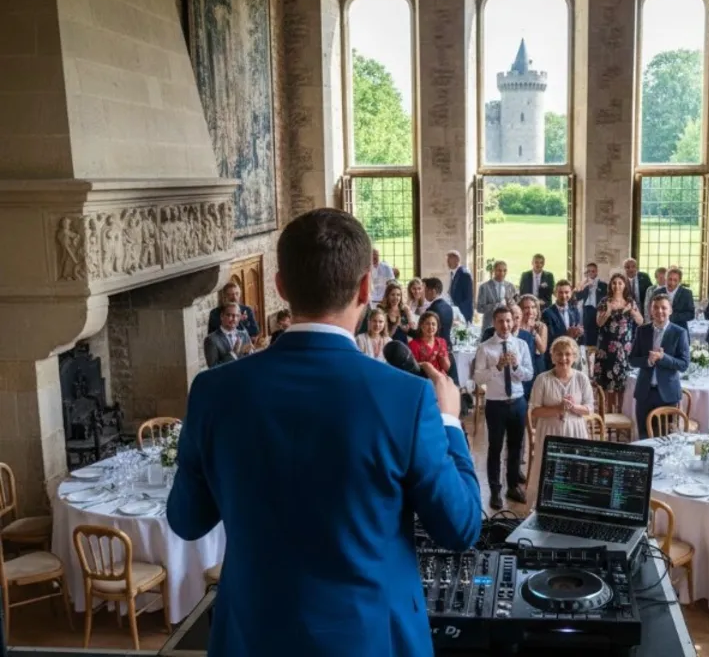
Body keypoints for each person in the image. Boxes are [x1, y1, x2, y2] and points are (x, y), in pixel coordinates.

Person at [167, 208, 481, 657]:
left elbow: (186, 519)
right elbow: (460, 527)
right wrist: (449, 421)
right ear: (366, 288)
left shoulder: (214, 391)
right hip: (370, 639)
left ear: (280, 286)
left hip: (253, 636)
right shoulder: (406, 398)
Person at [473, 306, 533, 510]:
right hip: (496, 404)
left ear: (513, 322)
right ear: (494, 323)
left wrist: (515, 366)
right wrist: (497, 367)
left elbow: (529, 374)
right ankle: (495, 490)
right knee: (495, 448)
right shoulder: (485, 348)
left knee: (516, 447)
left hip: (517, 402)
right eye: (501, 321)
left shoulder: (521, 345)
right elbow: (478, 378)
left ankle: (513, 486)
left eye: (508, 321)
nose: (505, 325)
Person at [530, 337, 595, 480]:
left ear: (574, 357)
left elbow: (589, 409)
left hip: (575, 432)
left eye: (568, 354)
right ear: (552, 357)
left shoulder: (581, 378)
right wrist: (558, 408)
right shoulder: (542, 379)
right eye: (559, 354)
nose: (563, 358)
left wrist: (573, 407)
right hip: (549, 432)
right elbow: (535, 411)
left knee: (575, 473)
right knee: (548, 474)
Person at [628, 294, 690, 437]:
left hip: (668, 395)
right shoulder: (642, 331)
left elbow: (684, 364)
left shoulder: (679, 333)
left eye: (663, 307)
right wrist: (648, 361)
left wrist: (663, 358)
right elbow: (632, 360)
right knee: (644, 436)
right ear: (651, 310)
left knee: (666, 438)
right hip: (645, 392)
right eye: (655, 307)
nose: (659, 311)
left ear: (670, 310)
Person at [594, 273, 642, 414]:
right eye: (614, 283)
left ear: (625, 285)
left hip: (625, 349)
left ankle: (621, 413)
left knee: (622, 384)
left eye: (620, 283)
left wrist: (632, 312)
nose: (617, 286)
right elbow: (599, 323)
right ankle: (608, 414)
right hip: (607, 348)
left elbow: (641, 321)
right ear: (610, 285)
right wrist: (608, 311)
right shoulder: (604, 302)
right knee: (608, 384)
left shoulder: (630, 301)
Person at [541, 280, 583, 368]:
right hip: (557, 358)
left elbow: (581, 335)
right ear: (555, 294)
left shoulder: (575, 310)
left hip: (573, 355)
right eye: (560, 292)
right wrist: (567, 335)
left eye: (566, 292)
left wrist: (579, 332)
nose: (564, 296)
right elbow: (548, 339)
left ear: (571, 293)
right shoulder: (547, 313)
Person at [203, 302, 253, 368]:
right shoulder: (211, 339)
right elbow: (213, 368)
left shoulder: (244, 335)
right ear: (221, 316)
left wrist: (249, 352)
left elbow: (251, 360)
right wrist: (233, 353)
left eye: (237, 316)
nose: (234, 319)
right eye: (230, 315)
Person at [516, 295, 547, 400]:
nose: (530, 311)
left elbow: (542, 349)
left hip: (537, 365)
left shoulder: (541, 326)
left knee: (536, 398)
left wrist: (533, 331)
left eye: (533, 307)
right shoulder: (515, 326)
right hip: (521, 366)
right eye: (526, 308)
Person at [476, 260, 518, 332]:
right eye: (499, 270)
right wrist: (496, 305)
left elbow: (516, 306)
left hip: (507, 328)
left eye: (504, 270)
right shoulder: (484, 287)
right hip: (490, 326)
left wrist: (511, 305)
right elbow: (479, 308)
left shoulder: (511, 286)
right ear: (494, 271)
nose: (502, 273)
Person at [575, 262, 607, 347]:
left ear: (596, 272)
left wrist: (595, 288)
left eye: (593, 271)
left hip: (598, 309)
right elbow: (578, 297)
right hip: (587, 309)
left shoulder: (603, 284)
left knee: (598, 332)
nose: (591, 273)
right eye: (589, 271)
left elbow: (605, 298)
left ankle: (597, 348)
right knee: (587, 332)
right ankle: (588, 348)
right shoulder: (583, 283)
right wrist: (584, 286)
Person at [653, 267, 696, 332]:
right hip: (660, 329)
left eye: (675, 280)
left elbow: (691, 314)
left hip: (680, 329)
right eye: (670, 279)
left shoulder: (686, 293)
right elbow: (652, 310)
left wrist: (671, 317)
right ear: (666, 279)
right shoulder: (657, 292)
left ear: (679, 281)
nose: (672, 283)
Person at [447, 250, 474, 324]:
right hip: (455, 311)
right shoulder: (454, 273)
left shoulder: (464, 274)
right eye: (447, 259)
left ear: (457, 260)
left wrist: (462, 315)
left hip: (462, 313)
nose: (447, 262)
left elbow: (468, 298)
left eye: (449, 259)